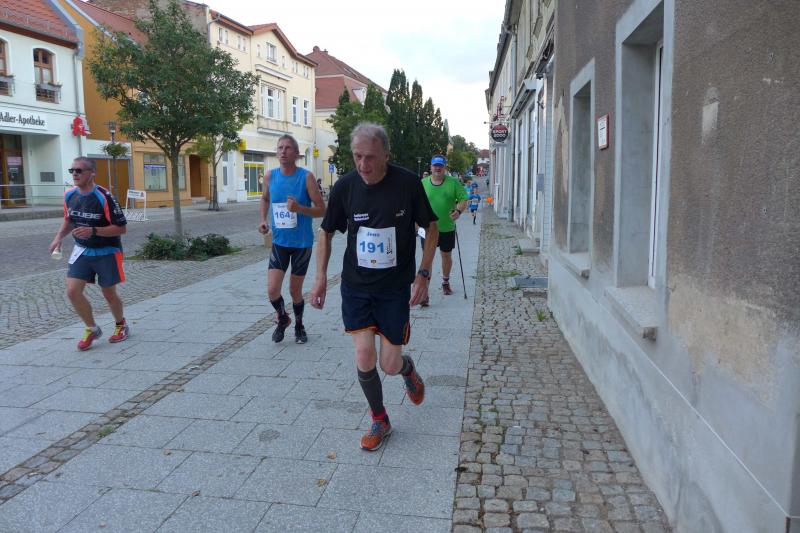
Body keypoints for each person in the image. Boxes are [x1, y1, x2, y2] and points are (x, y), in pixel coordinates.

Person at [310, 122, 438, 451]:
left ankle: (407, 369)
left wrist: (424, 273)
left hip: (394, 289)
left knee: (389, 365)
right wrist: (320, 277)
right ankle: (380, 419)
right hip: (356, 286)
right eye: (357, 156)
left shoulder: (407, 183)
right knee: (364, 354)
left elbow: (432, 227)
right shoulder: (345, 187)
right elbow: (326, 232)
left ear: (386, 155)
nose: (363, 164)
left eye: (370, 157)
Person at [48, 157, 129, 351]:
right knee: (72, 291)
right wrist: (58, 237)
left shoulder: (104, 196)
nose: (75, 174)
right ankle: (92, 328)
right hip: (82, 250)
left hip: (107, 251)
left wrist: (94, 230)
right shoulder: (70, 195)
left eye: (79, 170)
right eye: (72, 170)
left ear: (92, 173)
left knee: (108, 293)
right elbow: (69, 220)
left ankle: (121, 325)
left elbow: (121, 228)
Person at [258, 134, 326, 343]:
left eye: (288, 148)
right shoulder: (270, 176)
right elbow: (265, 198)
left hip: (301, 244)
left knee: (294, 290)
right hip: (279, 242)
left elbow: (322, 209)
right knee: (272, 290)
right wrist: (263, 220)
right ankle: (283, 318)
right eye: (280, 147)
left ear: (296, 154)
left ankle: (299, 326)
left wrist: (299, 209)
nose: (283, 151)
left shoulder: (306, 177)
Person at [420, 154, 468, 300]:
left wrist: (458, 211)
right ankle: (425, 291)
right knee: (427, 259)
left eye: (440, 166)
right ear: (431, 167)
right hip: (428, 229)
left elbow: (463, 199)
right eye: (435, 165)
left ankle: (445, 281)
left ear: (444, 167)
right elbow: (415, 203)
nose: (437, 168)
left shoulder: (453, 183)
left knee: (446, 256)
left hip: (447, 227)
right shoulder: (423, 183)